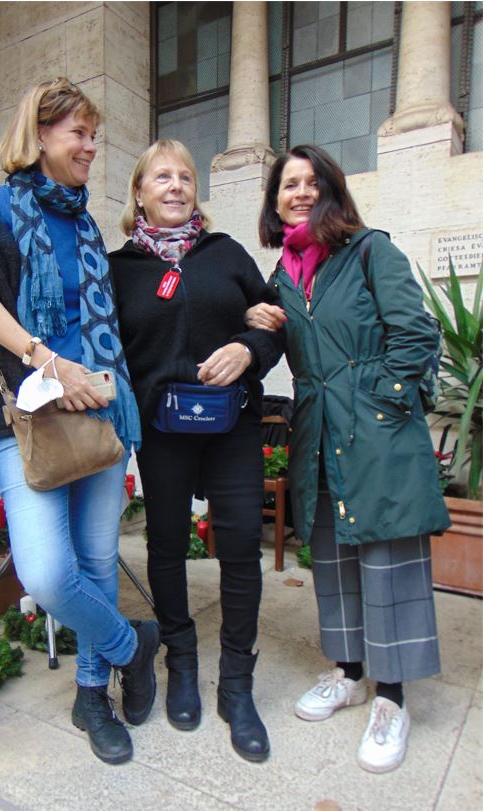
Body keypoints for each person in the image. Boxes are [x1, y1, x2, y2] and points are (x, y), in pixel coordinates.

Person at [0, 78, 160, 766]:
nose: (92, 148)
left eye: (95, 136)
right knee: (43, 572)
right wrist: (49, 364)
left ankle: (92, 695)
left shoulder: (86, 222)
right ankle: (133, 646)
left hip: (99, 411)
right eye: (80, 135)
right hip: (27, 415)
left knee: (97, 561)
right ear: (40, 135)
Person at [247, 144, 451, 773]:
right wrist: (253, 318)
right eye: (288, 185)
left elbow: (416, 333)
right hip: (317, 431)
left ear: (332, 190)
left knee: (386, 559)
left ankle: (392, 699)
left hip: (377, 431)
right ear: (275, 201)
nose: (300, 193)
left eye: (312, 182)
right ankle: (351, 674)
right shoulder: (282, 277)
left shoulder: (370, 251)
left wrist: (381, 402)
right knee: (333, 559)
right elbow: (274, 342)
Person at [108, 139, 285, 763]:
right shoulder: (118, 269)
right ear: (140, 193)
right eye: (162, 176)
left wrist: (248, 350)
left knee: (239, 546)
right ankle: (180, 659)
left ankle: (236, 684)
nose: (177, 185)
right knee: (165, 545)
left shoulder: (226, 253)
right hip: (163, 430)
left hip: (232, 423)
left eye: (185, 176)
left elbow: (274, 320)